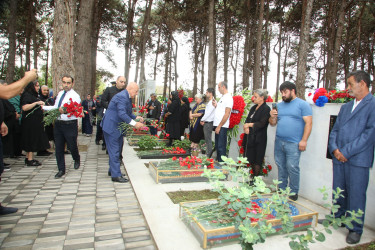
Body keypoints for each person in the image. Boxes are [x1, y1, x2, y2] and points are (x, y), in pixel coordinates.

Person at [323, 71, 375, 244]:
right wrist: (335, 149)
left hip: (358, 159)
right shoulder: (346, 106)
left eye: (351, 84)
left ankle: (355, 228)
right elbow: (335, 130)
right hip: (339, 157)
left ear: (363, 84)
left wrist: (346, 151)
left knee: (356, 193)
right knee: (339, 189)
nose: (348, 88)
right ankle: (337, 216)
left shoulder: (373, 104)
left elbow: (369, 134)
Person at [269, 81, 312, 201]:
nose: (283, 94)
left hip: (294, 143)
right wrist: (272, 116)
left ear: (293, 91)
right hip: (279, 141)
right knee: (281, 166)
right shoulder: (279, 105)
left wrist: (304, 140)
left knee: (292, 167)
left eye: (285, 92)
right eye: (281, 92)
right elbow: (273, 123)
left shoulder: (303, 105)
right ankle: (282, 189)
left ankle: (293, 192)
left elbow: (309, 123)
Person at [101, 82, 144, 183]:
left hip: (117, 128)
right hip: (112, 127)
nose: (137, 93)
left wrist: (135, 117)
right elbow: (121, 113)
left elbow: (127, 112)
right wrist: (134, 124)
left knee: (117, 149)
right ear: (130, 88)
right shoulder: (122, 97)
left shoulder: (126, 96)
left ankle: (112, 170)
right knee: (115, 151)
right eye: (136, 91)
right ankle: (116, 175)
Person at [43, 75, 81, 178]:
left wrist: (65, 110)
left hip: (70, 124)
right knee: (58, 147)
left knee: (72, 145)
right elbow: (56, 107)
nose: (66, 85)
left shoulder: (75, 95)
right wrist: (43, 107)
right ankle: (61, 169)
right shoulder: (60, 94)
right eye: (64, 82)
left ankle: (76, 158)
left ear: (72, 84)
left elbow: (76, 110)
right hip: (59, 124)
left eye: (68, 83)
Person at [242, 89, 271, 180]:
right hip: (250, 136)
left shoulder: (266, 108)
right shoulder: (253, 108)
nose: (253, 98)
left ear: (262, 98)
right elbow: (247, 119)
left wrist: (249, 125)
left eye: (255, 97)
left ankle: (255, 179)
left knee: (257, 159)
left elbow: (262, 123)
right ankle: (250, 177)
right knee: (250, 157)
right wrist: (246, 127)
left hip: (259, 137)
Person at [20, 81, 50, 166]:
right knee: (31, 139)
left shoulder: (34, 95)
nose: (38, 88)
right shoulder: (26, 95)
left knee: (33, 139)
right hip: (29, 122)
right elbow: (24, 107)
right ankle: (29, 159)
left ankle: (29, 158)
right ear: (31, 87)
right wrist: (36, 103)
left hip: (35, 122)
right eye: (36, 86)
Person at [101, 76, 127, 152]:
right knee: (108, 131)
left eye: (124, 82)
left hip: (120, 117)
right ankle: (106, 145)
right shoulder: (109, 90)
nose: (123, 84)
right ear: (116, 81)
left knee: (119, 135)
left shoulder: (125, 92)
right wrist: (110, 108)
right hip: (110, 116)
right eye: (121, 82)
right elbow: (103, 101)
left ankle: (119, 154)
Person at [213, 81, 233, 162]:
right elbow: (221, 111)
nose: (218, 89)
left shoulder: (228, 98)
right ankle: (218, 166)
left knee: (221, 148)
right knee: (218, 147)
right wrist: (216, 105)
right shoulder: (223, 97)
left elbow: (227, 114)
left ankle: (222, 170)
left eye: (219, 87)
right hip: (219, 126)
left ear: (223, 87)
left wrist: (219, 126)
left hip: (222, 126)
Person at [37, 85, 53, 156]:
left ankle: (44, 149)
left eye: (47, 90)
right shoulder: (38, 98)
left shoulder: (48, 99)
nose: (46, 92)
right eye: (44, 90)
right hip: (41, 119)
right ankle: (40, 150)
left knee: (46, 134)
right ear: (41, 90)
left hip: (48, 119)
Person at [200, 88, 215, 157]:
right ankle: (208, 153)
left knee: (208, 139)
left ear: (210, 93)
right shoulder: (210, 102)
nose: (206, 94)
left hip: (209, 123)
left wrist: (202, 120)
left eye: (207, 93)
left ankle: (209, 154)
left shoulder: (213, 102)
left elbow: (208, 113)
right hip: (207, 122)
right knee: (207, 139)